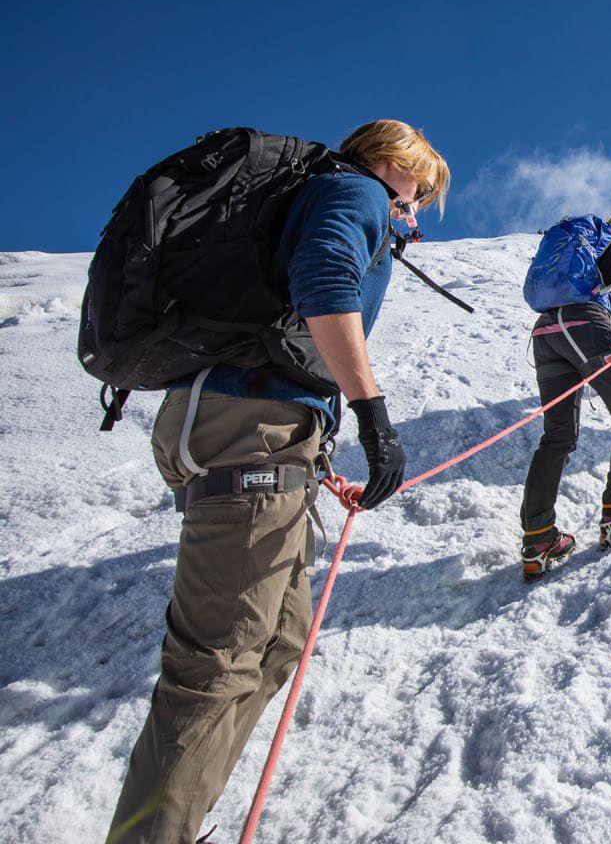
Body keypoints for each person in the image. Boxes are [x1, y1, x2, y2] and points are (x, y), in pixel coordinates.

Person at [107, 120, 450, 844]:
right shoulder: (356, 191)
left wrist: (313, 451)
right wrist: (372, 414)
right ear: (396, 164)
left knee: (277, 645)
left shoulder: (327, 194)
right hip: (245, 422)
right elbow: (324, 279)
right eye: (416, 195)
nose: (413, 214)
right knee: (220, 662)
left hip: (254, 426)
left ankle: (176, 821)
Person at [519, 213, 611, 581]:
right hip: (584, 326)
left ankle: (538, 539)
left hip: (546, 332)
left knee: (557, 436)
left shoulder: (583, 250)